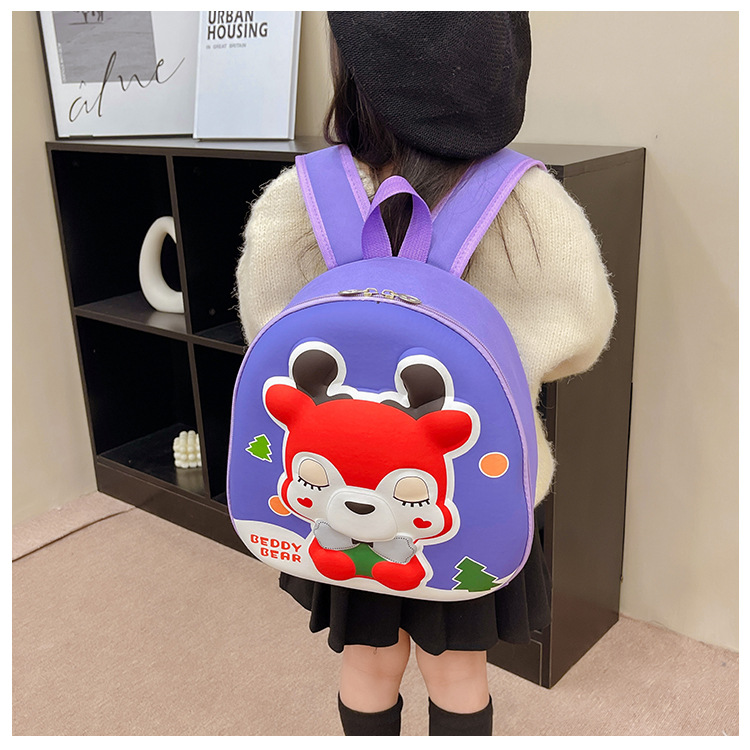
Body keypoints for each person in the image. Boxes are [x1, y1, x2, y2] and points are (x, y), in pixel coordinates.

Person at [235, 11, 616, 736]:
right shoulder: (528, 200)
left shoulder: (301, 195)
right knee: (459, 673)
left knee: (369, 663)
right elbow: (581, 334)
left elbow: (270, 334)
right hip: (476, 495)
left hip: (332, 498)